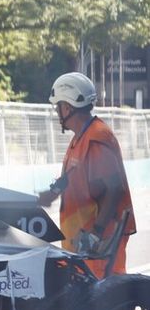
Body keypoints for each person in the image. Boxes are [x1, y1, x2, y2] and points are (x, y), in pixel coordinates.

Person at [37, 71, 136, 278]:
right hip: (83, 243)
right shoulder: (80, 139)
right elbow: (72, 176)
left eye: (58, 106)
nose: (57, 112)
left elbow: (113, 189)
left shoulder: (97, 137)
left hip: (98, 246)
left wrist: (95, 234)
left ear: (68, 107)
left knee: (103, 295)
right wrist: (51, 194)